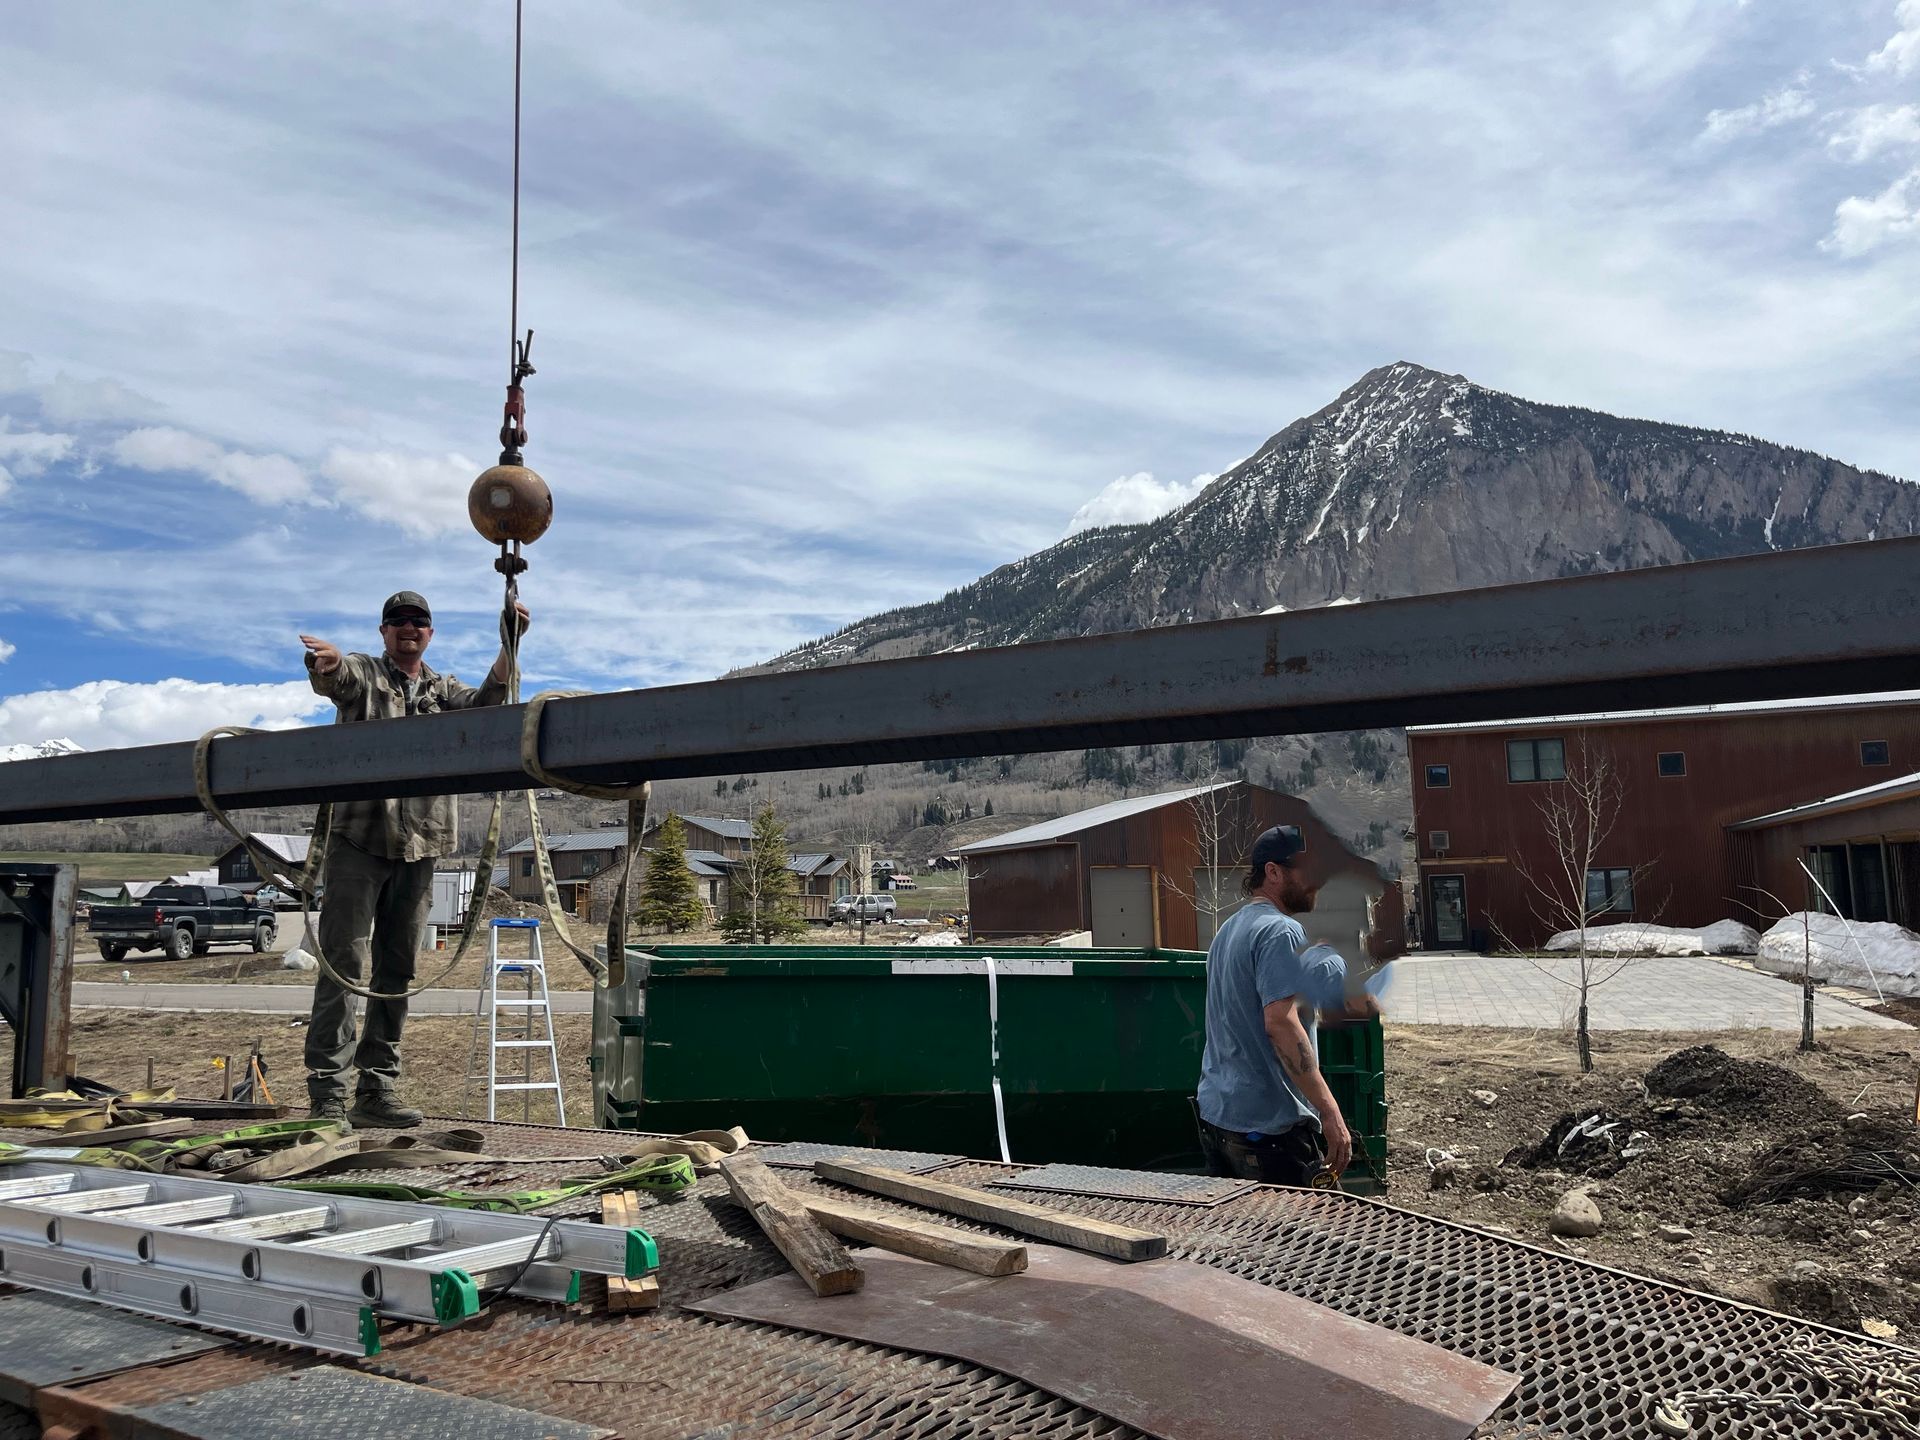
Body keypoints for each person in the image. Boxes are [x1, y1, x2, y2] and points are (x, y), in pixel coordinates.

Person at [297, 589, 528, 1129]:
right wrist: (324, 665)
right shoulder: (365, 674)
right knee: (343, 966)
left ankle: (377, 1088)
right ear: (383, 632)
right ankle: (327, 1092)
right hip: (357, 840)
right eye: (398, 621)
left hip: (421, 847)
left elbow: (488, 704)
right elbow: (337, 677)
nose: (408, 628)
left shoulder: (441, 689)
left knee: (397, 969)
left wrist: (509, 645)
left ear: (430, 633)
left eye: (418, 622)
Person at [1193, 824, 1385, 1185]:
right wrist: (1330, 1113)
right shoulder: (1280, 931)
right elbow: (1279, 1023)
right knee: (1307, 1240)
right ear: (1273, 872)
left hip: (1220, 1121)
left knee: (1241, 1238)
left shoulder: (1228, 931)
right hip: (1268, 1135)